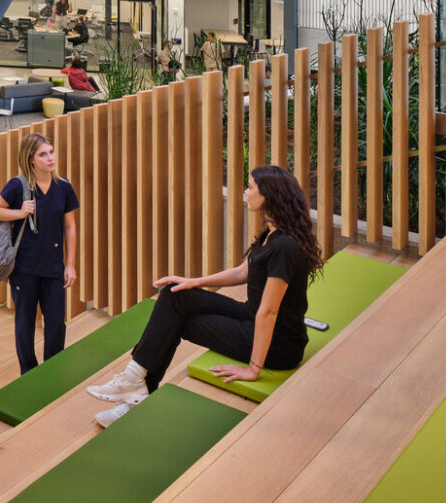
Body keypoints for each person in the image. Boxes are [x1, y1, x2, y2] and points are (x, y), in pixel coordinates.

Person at [88, 165, 318, 426]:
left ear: (269, 195)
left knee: (177, 322)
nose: (245, 191)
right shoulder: (271, 233)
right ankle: (134, 380)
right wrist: (192, 281)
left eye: (251, 187)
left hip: (279, 344)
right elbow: (241, 272)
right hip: (250, 316)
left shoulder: (285, 247)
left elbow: (269, 311)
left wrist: (253, 369)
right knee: (176, 294)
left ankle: (135, 393)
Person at [0, 133, 79, 372]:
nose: (50, 158)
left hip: (53, 268)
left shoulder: (64, 187)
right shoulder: (18, 185)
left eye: (51, 151)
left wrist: (70, 265)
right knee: (25, 323)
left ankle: (52, 370)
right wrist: (19, 212)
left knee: (57, 323)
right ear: (30, 159)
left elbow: (69, 226)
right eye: (43, 154)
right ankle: (28, 371)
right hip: (24, 269)